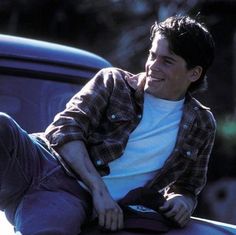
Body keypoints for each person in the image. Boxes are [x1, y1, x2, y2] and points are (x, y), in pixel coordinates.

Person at [0, 15, 216, 235]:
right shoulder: (114, 82)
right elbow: (64, 130)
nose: (153, 66)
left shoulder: (202, 124)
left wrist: (183, 201)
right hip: (39, 158)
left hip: (70, 198)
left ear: (194, 73)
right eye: (152, 55)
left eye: (166, 61)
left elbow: (188, 186)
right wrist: (99, 191)